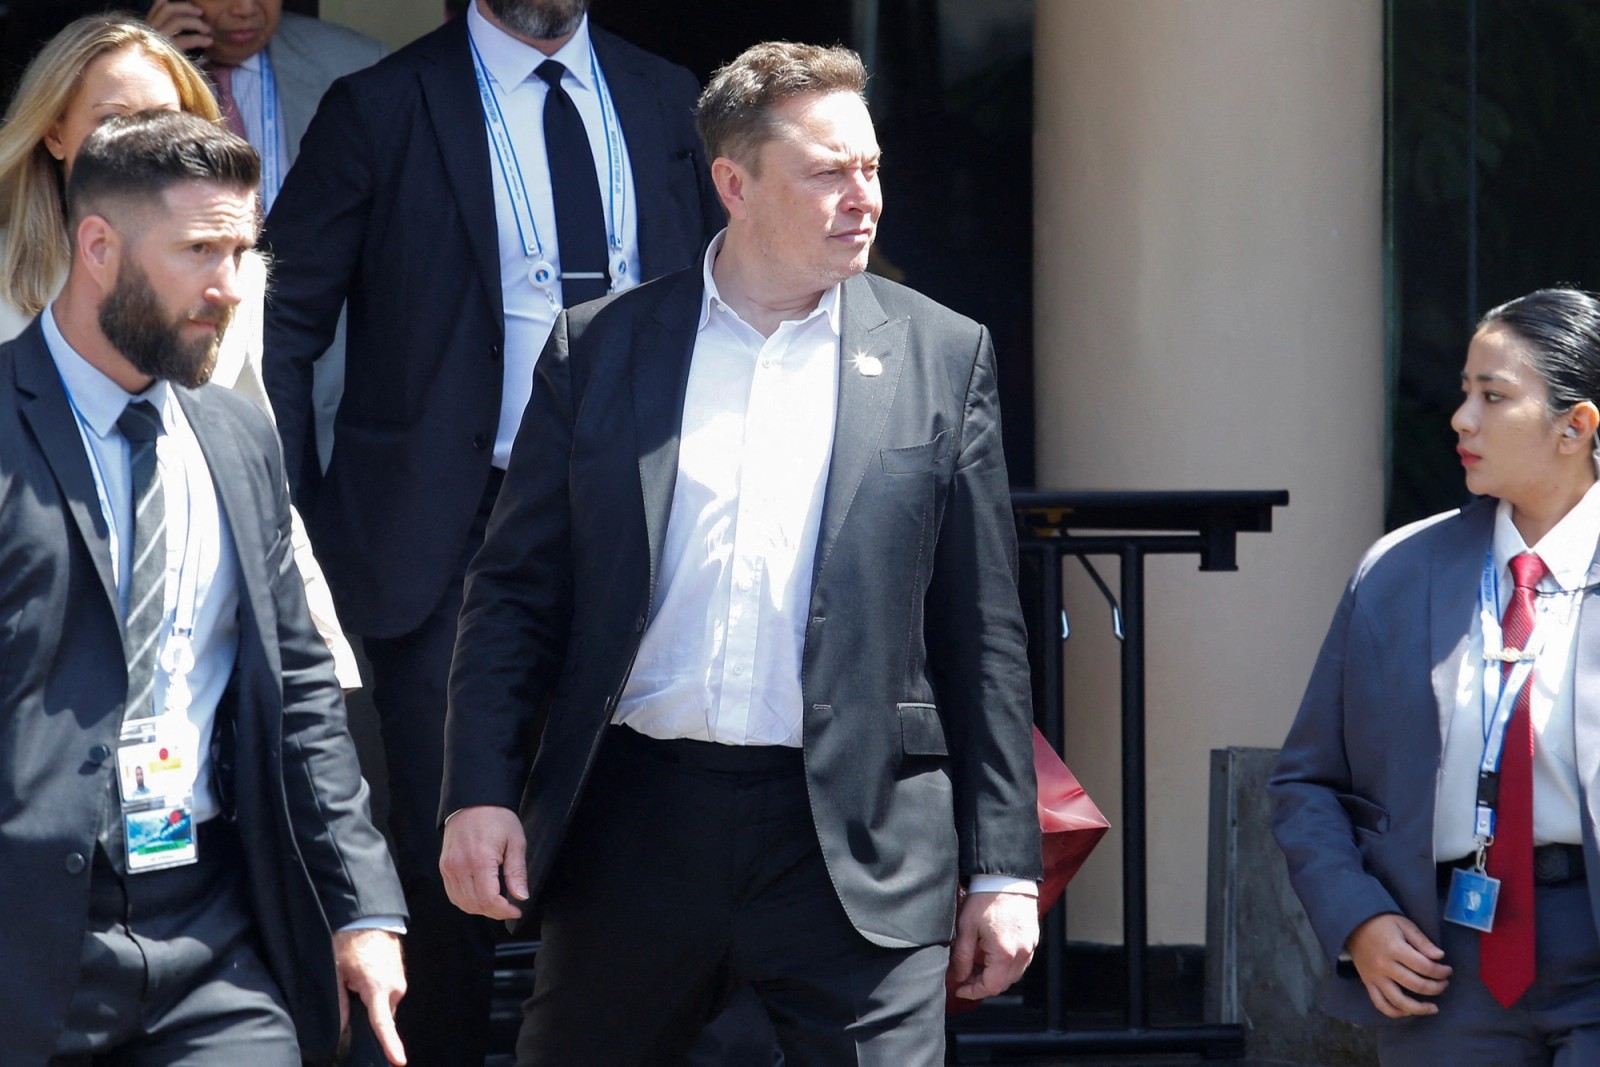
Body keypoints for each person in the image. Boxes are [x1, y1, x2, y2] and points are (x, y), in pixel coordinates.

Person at [439, 40, 1043, 1065]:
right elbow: (514, 599)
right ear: (735, 184)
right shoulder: (603, 348)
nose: (865, 198)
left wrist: (1004, 867)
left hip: (860, 836)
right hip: (637, 824)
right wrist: (479, 790)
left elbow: (982, 632)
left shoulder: (943, 354)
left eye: (872, 167)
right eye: (827, 172)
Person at [260, 1, 722, 1060]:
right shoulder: (382, 104)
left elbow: (730, 283)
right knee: (446, 844)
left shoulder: (666, 97)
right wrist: (288, 505)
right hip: (443, 529)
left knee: (640, 825)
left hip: (645, 511)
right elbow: (278, 315)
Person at [0, 109, 407, 1065]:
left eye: (241, 251)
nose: (229, 286)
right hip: (25, 931)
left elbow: (300, 689)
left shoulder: (236, 435)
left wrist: (361, 907)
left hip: (210, 930)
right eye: (197, 251)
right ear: (98, 246)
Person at [1272, 287, 1600, 1065]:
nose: (1462, 418)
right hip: (1443, 961)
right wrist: (1358, 916)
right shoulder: (1397, 571)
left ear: (1577, 425)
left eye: (1493, 395)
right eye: (1463, 392)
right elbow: (1307, 782)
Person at [0, 14, 359, 689]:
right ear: (53, 133)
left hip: (190, 639)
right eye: (113, 121)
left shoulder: (234, 283)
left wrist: (319, 666)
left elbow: (259, 479)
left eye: (161, 121)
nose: (140, 147)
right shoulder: (6, 280)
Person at [144, 0, 385, 469]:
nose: (244, 9)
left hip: (332, 374)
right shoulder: (143, 70)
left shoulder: (356, 63)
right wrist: (155, 69)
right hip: (194, 353)